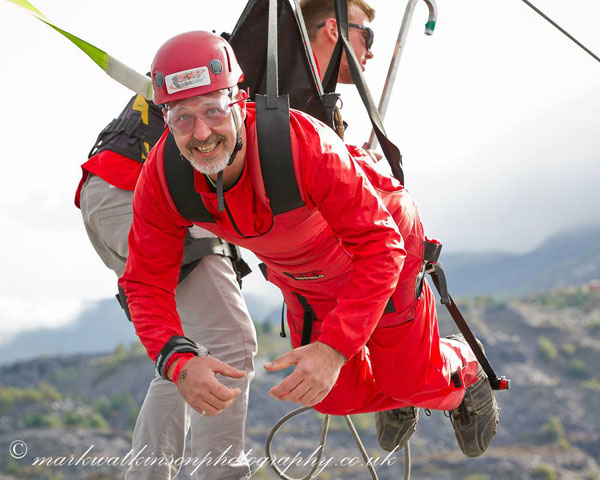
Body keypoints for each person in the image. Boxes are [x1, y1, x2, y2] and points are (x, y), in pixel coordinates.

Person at [119, 31, 500, 460]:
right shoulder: (164, 178)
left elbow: (380, 246)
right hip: (304, 274)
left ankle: (462, 367)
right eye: (182, 118)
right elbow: (145, 283)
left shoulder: (301, 145)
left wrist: (335, 348)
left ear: (239, 100)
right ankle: (398, 387)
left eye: (213, 110)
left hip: (380, 247)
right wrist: (178, 363)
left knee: (416, 381)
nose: (201, 132)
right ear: (164, 118)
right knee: (329, 396)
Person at [75, 95, 257, 477]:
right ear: (330, 30)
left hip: (109, 194)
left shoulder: (222, 59)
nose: (368, 55)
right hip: (134, 191)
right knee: (230, 342)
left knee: (185, 357)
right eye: (366, 37)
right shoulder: (263, 57)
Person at [300, 0, 375, 84]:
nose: (370, 54)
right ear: (334, 30)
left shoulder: (290, 85)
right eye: (366, 36)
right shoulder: (288, 90)